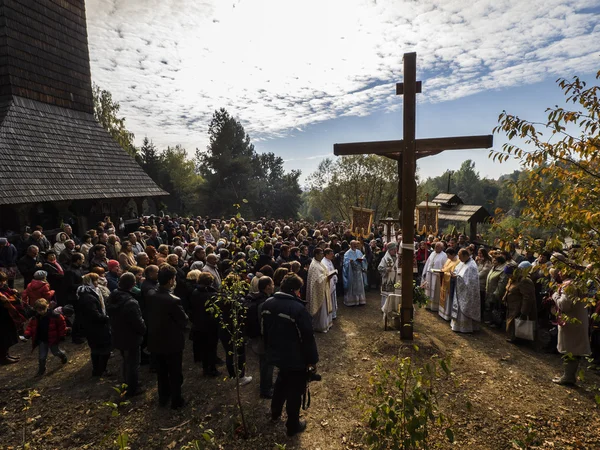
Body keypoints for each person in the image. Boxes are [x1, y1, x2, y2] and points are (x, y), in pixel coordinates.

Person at [261, 274, 319, 437]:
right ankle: (293, 424)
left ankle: (275, 412)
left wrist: (269, 350)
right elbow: (307, 337)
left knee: (281, 381)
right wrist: (312, 360)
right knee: (295, 390)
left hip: (276, 353)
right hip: (295, 357)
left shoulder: (267, 303)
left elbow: (264, 331)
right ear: (295, 291)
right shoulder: (298, 309)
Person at [146, 264, 189, 409]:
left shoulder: (150, 294)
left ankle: (163, 397)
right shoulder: (173, 300)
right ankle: (177, 401)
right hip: (172, 342)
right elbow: (183, 320)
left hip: (155, 340)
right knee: (175, 372)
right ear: (171, 280)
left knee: (162, 372)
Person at [106, 272, 146, 397]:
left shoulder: (113, 295)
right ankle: (133, 388)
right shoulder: (131, 302)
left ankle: (127, 382)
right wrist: (144, 330)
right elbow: (137, 322)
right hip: (131, 337)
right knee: (133, 364)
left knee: (125, 360)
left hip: (118, 333)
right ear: (133, 284)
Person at [551, 266, 591, 385]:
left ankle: (568, 377)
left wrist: (555, 296)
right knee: (573, 349)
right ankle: (569, 375)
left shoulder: (569, 285)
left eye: (562, 270)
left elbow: (564, 305)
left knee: (570, 350)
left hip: (571, 323)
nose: (560, 272)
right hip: (577, 322)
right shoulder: (579, 284)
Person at [245, 276, 276, 398]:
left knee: (265, 363)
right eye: (272, 284)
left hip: (259, 337)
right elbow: (264, 323)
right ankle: (265, 390)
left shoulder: (256, 298)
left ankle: (267, 384)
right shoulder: (264, 303)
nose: (273, 286)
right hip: (264, 338)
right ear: (267, 286)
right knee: (267, 363)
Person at [77, 273, 112, 377]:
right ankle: (101, 370)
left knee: (96, 349)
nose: (98, 282)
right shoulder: (88, 297)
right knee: (104, 349)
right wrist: (106, 318)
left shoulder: (89, 293)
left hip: (93, 326)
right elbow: (94, 314)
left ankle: (97, 370)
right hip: (96, 327)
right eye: (95, 280)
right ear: (90, 282)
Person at [24, 299, 68, 376]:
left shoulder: (55, 316)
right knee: (42, 357)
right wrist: (27, 334)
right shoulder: (35, 318)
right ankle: (41, 369)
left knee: (56, 352)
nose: (41, 312)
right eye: (39, 310)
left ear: (47, 306)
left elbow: (62, 325)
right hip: (42, 340)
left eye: (42, 310)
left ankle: (63, 356)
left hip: (53, 339)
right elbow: (30, 327)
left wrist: (62, 335)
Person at [189, 272, 220, 376]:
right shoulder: (211, 294)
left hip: (199, 323)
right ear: (210, 282)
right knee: (211, 347)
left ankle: (207, 365)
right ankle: (210, 369)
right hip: (210, 325)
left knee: (205, 346)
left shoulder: (195, 292)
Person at [503, 261, 537, 343]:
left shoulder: (524, 281)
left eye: (509, 274)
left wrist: (524, 312)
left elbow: (528, 298)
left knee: (518, 324)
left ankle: (519, 339)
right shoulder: (512, 279)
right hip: (512, 307)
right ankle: (512, 337)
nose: (508, 277)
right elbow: (508, 289)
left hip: (518, 308)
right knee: (512, 324)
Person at [451, 249, 481, 333]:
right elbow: (459, 272)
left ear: (465, 256)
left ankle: (465, 327)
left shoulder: (471, 266)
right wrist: (455, 274)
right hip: (460, 290)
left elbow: (470, 282)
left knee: (465, 308)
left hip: (467, 293)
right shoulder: (464, 262)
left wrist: (456, 277)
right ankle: (457, 326)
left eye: (460, 257)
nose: (459, 259)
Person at [306, 248, 335, 333]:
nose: (322, 255)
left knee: (325, 308)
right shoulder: (314, 265)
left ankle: (327, 324)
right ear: (316, 255)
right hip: (319, 290)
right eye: (321, 253)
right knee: (321, 309)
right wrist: (328, 277)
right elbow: (317, 280)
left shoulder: (318, 262)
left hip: (324, 287)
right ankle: (320, 326)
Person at [0, 272, 24, 365]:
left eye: (3, 281)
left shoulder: (4, 288)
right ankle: (3, 358)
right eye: (1, 282)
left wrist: (14, 292)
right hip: (1, 318)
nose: (3, 283)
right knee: (3, 339)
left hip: (7, 317)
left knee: (8, 337)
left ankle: (7, 354)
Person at [421, 242, 448, 312]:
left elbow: (445, 266)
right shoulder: (432, 253)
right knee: (428, 290)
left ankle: (434, 306)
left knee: (435, 291)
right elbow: (428, 263)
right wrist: (425, 272)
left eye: (438, 247)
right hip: (429, 275)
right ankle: (427, 305)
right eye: (436, 246)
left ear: (442, 248)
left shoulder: (444, 255)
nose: (436, 248)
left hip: (437, 276)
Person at [485, 252, 509, 326]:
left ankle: (497, 323)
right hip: (489, 291)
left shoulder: (502, 271)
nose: (492, 261)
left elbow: (501, 283)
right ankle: (491, 320)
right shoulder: (493, 268)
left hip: (496, 293)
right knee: (491, 307)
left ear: (499, 262)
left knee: (496, 308)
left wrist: (497, 293)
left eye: (494, 260)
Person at [343, 240, 367, 306]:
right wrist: (350, 262)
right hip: (352, 273)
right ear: (350, 245)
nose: (355, 246)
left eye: (356, 244)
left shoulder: (359, 252)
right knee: (352, 286)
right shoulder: (347, 253)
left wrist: (362, 260)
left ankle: (360, 300)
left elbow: (364, 259)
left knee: (360, 286)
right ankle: (352, 301)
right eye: (354, 244)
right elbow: (345, 264)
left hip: (359, 272)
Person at [439, 248, 460, 321]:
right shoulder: (449, 259)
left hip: (450, 283)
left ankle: (447, 314)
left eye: (448, 255)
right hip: (444, 282)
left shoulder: (458, 262)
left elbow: (453, 274)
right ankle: (442, 313)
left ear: (453, 254)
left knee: (448, 299)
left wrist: (444, 273)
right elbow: (445, 267)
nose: (447, 257)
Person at [378, 242, 400, 308]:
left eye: (395, 249)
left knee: (395, 293)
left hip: (396, 279)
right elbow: (379, 268)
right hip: (388, 279)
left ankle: (393, 307)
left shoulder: (398, 257)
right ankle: (385, 307)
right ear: (389, 250)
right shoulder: (384, 259)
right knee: (387, 294)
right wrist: (386, 269)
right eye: (393, 249)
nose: (395, 251)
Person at [476, 248, 493, 321]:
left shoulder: (488, 262)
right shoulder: (480, 261)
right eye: (478, 253)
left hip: (482, 283)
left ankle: (481, 315)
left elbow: (484, 272)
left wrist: (475, 276)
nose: (479, 255)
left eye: (480, 253)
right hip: (478, 282)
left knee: (481, 300)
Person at [322, 249, 338, 320]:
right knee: (330, 299)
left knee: (333, 299)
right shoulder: (324, 262)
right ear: (327, 254)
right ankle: (331, 314)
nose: (333, 255)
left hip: (332, 282)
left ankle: (333, 314)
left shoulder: (329, 260)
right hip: (329, 283)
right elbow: (327, 273)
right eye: (331, 254)